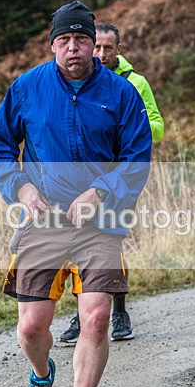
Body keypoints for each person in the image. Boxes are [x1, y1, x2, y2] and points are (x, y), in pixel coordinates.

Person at [0, 0, 152, 387]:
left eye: (82, 39)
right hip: (44, 218)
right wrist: (20, 189)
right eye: (65, 40)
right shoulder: (27, 88)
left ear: (94, 45)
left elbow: (137, 157)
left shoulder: (121, 93)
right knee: (32, 329)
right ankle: (42, 376)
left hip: (102, 220)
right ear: (53, 44)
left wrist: (100, 192)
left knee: (96, 316)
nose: (74, 48)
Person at [60, 21, 164, 344]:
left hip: (122, 177)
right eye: (98, 47)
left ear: (119, 50)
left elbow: (157, 125)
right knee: (79, 243)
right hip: (85, 176)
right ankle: (85, 314)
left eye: (108, 47)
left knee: (108, 240)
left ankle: (118, 309)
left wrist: (133, 131)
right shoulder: (78, 82)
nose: (102, 53)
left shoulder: (135, 83)